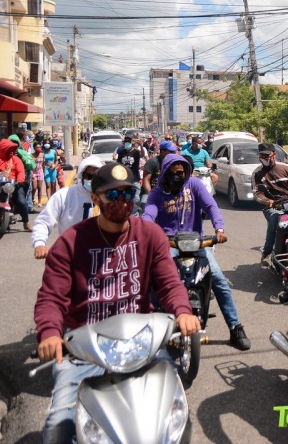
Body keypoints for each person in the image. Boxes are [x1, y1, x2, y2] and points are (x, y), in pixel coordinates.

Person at [34, 162, 200, 443]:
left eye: (128, 193)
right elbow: (52, 296)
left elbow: (169, 283)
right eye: (112, 194)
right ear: (95, 198)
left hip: (139, 342)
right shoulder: (70, 242)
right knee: (59, 426)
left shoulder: (150, 235)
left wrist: (183, 312)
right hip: (84, 349)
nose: (121, 201)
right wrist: (50, 332)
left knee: (173, 417)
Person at [142, 154, 251, 350]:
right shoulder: (157, 193)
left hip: (198, 243)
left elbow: (211, 206)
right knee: (156, 278)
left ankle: (235, 327)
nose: (177, 176)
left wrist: (219, 229)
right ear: (165, 173)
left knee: (219, 280)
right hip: (169, 244)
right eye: (173, 173)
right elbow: (149, 214)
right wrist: (148, 233)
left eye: (181, 172)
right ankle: (152, 325)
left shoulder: (194, 185)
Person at [31, 156, 104, 260]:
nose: (92, 180)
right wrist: (39, 243)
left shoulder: (109, 196)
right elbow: (44, 221)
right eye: (89, 176)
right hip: (71, 255)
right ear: (81, 175)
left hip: (101, 257)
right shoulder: (64, 196)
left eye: (97, 176)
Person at [253, 143, 288, 266]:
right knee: (275, 219)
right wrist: (267, 201)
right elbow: (257, 194)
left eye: (266, 155)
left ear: (274, 154)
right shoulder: (257, 173)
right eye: (261, 155)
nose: (263, 158)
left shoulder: (285, 169)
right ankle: (267, 252)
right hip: (273, 207)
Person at [112, 136, 143, 213]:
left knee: (136, 198)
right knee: (125, 197)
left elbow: (142, 155)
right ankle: (126, 213)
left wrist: (141, 146)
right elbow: (118, 164)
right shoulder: (121, 152)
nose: (127, 144)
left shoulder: (136, 152)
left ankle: (134, 214)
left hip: (135, 178)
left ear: (131, 143)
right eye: (125, 142)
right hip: (124, 179)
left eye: (128, 142)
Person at [32, 143, 45, 207]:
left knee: (39, 187)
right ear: (34, 148)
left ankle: (40, 202)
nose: (39, 149)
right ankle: (32, 199)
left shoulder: (42, 155)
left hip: (40, 171)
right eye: (37, 147)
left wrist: (44, 172)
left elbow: (43, 164)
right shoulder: (31, 155)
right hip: (34, 172)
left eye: (40, 147)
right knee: (34, 187)